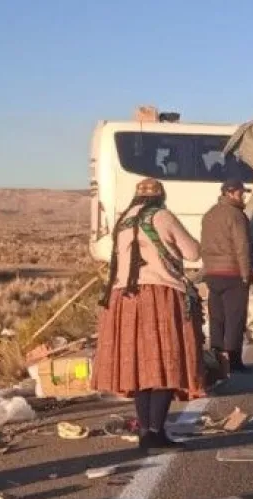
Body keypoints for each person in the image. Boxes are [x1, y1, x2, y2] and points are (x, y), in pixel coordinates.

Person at [92, 178, 204, 453]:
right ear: (160, 196)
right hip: (159, 295)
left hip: (124, 299)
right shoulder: (162, 216)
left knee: (139, 368)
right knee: (166, 360)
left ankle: (145, 431)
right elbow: (193, 252)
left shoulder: (123, 221)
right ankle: (156, 432)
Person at [201, 178, 253, 375]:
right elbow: (242, 247)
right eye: (241, 193)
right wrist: (246, 274)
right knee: (235, 317)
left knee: (217, 318)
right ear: (230, 193)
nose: (243, 196)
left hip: (212, 273)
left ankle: (216, 357)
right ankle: (234, 360)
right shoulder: (237, 216)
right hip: (232, 272)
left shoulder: (209, 214)